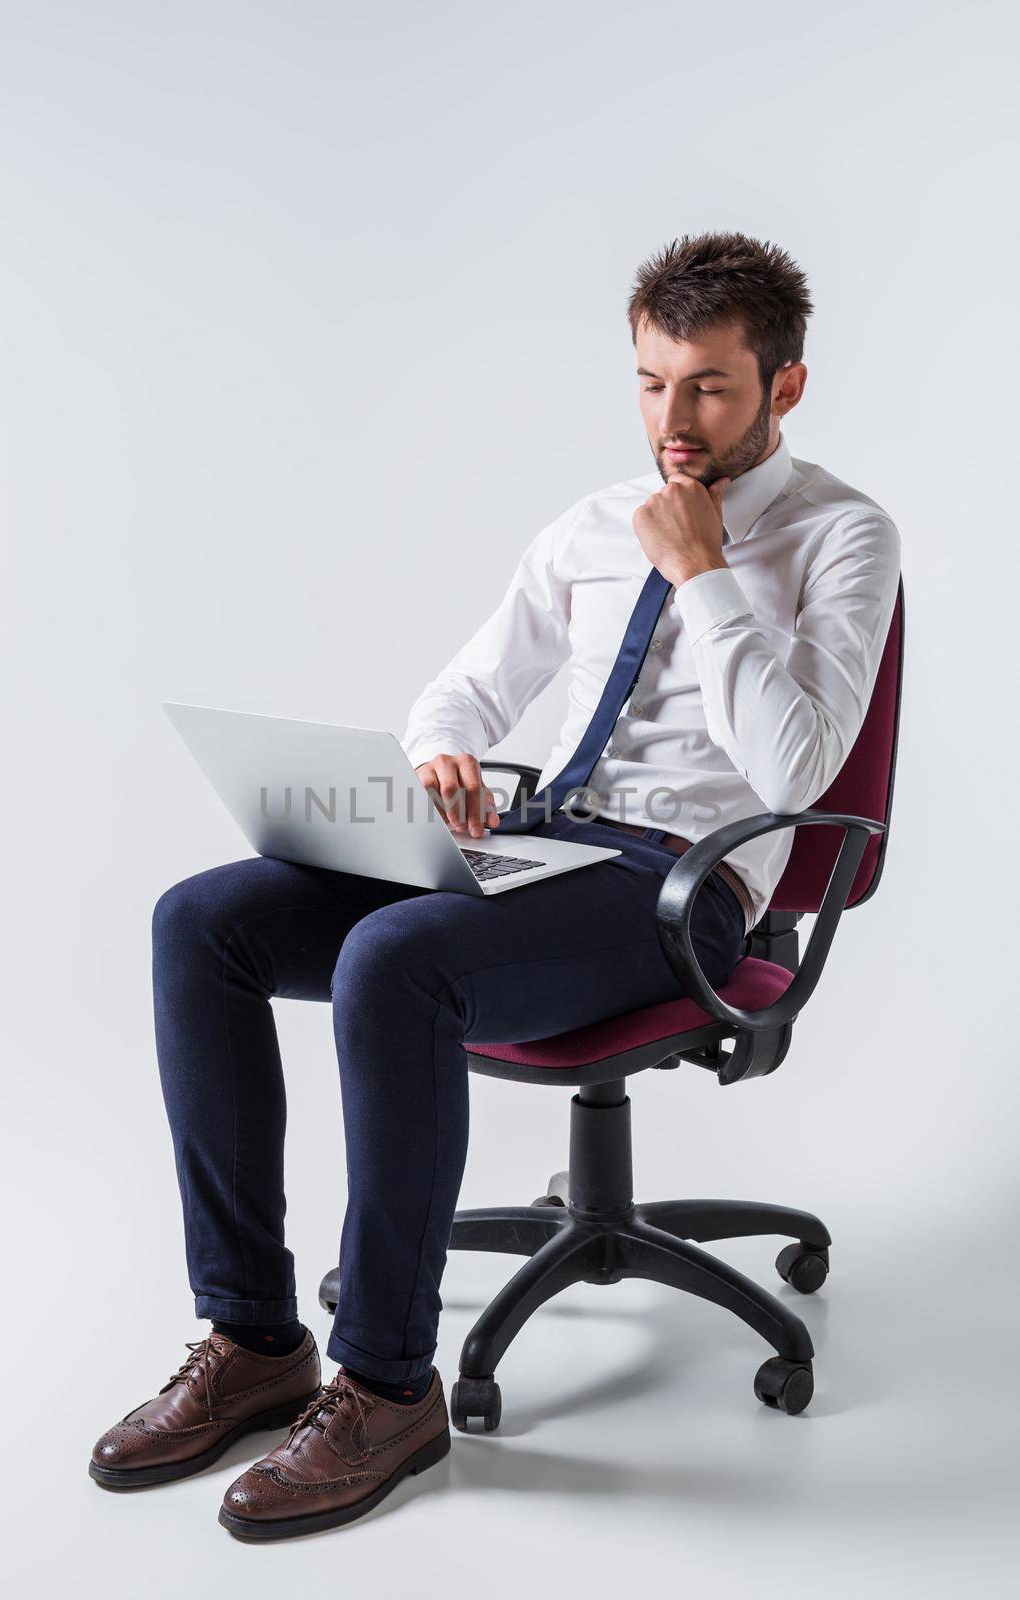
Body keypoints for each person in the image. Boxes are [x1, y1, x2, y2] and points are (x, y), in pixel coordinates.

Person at [89, 229, 901, 1538]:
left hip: (680, 893)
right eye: (649, 382)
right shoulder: (586, 527)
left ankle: (386, 1387)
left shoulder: (841, 537)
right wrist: (442, 753)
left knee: (394, 958)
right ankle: (252, 1340)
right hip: (535, 842)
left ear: (784, 388)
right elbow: (470, 681)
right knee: (204, 923)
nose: (671, 418)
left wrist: (705, 572)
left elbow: (804, 763)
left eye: (708, 386)